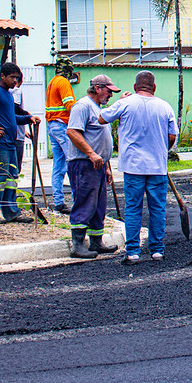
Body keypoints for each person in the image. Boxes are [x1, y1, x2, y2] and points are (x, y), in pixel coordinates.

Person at [99, 71, 178, 265]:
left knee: (133, 208)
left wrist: (121, 100)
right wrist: (161, 150)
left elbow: (102, 118)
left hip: (133, 167)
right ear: (154, 87)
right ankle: (157, 251)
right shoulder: (164, 106)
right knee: (157, 208)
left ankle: (133, 252)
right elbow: (172, 135)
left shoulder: (125, 103)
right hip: (157, 167)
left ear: (135, 87)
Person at [66, 75, 121, 259]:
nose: (110, 95)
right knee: (85, 202)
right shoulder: (82, 106)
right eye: (109, 91)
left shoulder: (97, 108)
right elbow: (73, 132)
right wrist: (91, 153)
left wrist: (106, 166)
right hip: (83, 163)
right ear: (98, 88)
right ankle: (78, 245)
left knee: (98, 205)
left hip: (97, 165)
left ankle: (97, 241)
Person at [0, 63, 41, 223]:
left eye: (17, 78)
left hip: (11, 143)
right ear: (2, 76)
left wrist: (28, 118)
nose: (15, 80)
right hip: (0, 144)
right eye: (12, 77)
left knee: (11, 179)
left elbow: (10, 118)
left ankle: (11, 213)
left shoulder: (8, 94)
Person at [45, 55, 76, 214]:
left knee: (58, 165)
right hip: (63, 124)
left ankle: (58, 201)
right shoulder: (63, 82)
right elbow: (70, 105)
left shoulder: (52, 82)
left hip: (52, 125)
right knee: (73, 161)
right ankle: (78, 199)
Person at [10, 74, 27, 175]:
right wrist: (27, 116)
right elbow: (15, 108)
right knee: (15, 167)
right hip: (17, 135)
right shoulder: (16, 91)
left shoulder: (5, 92)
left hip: (13, 133)